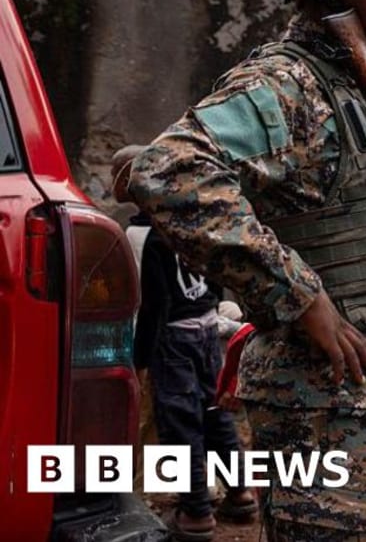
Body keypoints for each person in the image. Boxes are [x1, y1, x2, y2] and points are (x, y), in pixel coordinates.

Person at [129, 0, 366, 541]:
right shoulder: (288, 83)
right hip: (320, 402)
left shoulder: (356, 88)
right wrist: (301, 296)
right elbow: (169, 170)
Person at [113, 145, 258, 541]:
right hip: (207, 333)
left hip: (172, 341)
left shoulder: (141, 235)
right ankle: (241, 492)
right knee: (214, 415)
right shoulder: (190, 224)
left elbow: (151, 306)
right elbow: (214, 277)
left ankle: (195, 514)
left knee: (181, 425)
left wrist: (140, 361)